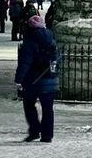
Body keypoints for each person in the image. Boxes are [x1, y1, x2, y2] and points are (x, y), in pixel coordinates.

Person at [14, 12, 59, 143]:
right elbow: (57, 58)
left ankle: (34, 130)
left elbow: (25, 62)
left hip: (33, 79)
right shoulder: (51, 38)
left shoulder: (30, 40)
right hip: (50, 77)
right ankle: (47, 135)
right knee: (48, 108)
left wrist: (19, 79)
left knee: (29, 105)